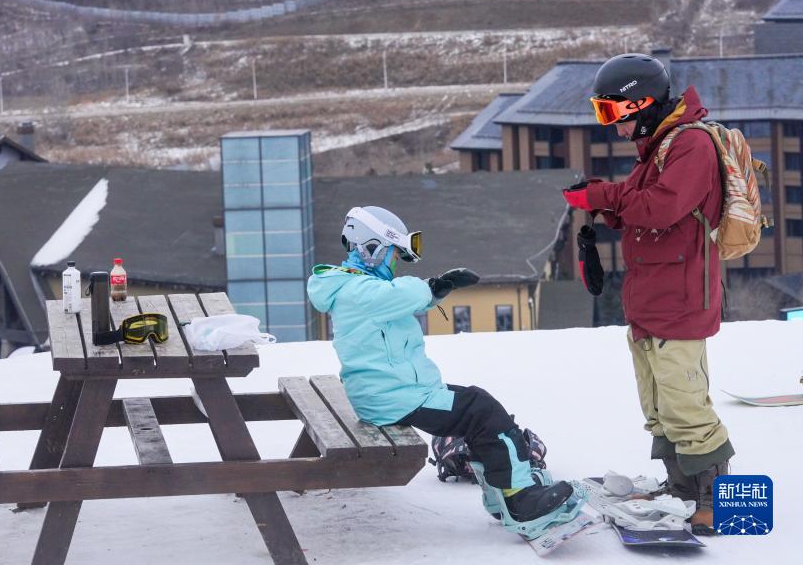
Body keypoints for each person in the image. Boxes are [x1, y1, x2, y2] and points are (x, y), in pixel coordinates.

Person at [307, 205, 578, 531]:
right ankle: (520, 498)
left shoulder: (353, 286)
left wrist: (435, 289)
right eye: (394, 255)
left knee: (477, 408)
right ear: (372, 248)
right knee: (481, 411)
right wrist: (435, 286)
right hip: (393, 398)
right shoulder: (357, 291)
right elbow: (401, 294)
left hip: (393, 392)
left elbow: (396, 297)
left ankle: (502, 495)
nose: (395, 264)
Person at [562, 53, 733, 535]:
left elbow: (662, 208)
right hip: (651, 300)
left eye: (614, 112)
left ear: (643, 103)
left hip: (680, 300)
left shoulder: (691, 144)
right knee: (658, 406)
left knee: (686, 406)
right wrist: (602, 200)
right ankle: (681, 487)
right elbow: (642, 211)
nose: (612, 125)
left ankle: (714, 499)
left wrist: (603, 197)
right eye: (603, 113)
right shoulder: (659, 146)